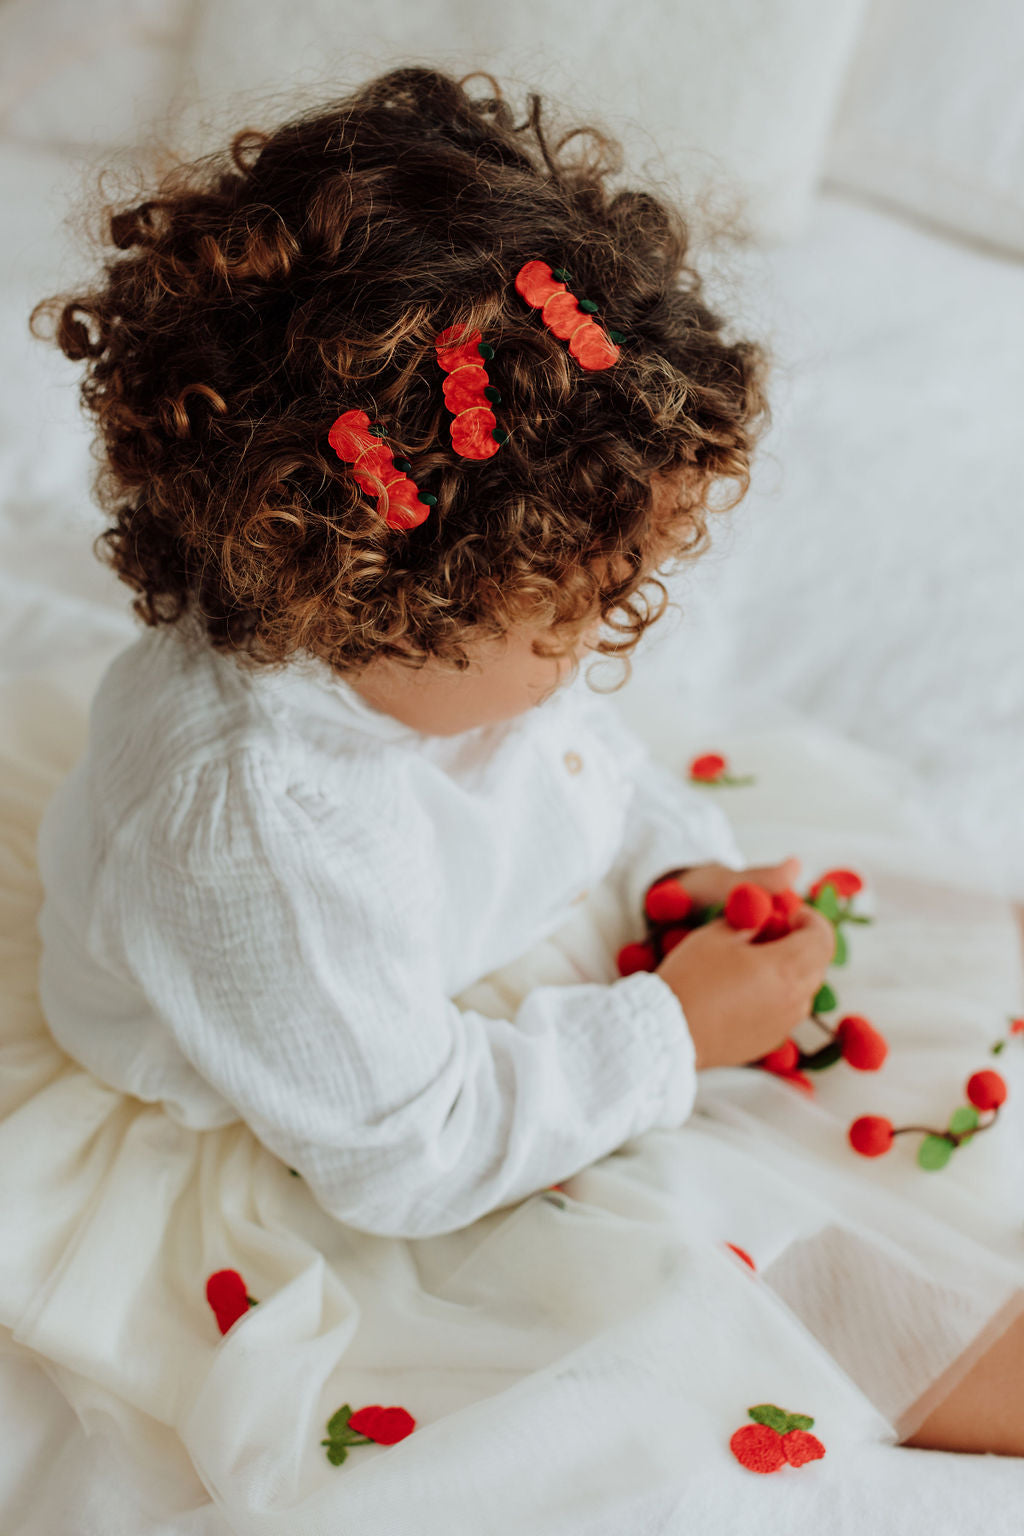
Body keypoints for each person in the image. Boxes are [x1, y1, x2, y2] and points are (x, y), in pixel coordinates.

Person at [20, 64, 1024, 1524]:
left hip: (459, 977)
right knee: (717, 1256)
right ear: (365, 601)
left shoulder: (417, 660)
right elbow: (404, 1149)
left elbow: (573, 778)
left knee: (937, 942)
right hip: (339, 1130)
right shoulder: (251, 825)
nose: (590, 658)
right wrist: (672, 1028)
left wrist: (668, 871)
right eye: (567, 624)